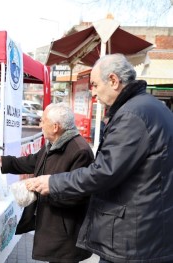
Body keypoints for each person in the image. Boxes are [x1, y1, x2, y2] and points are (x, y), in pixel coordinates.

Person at [26, 54, 173, 262]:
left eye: (94, 85)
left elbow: (104, 171)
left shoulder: (132, 115)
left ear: (113, 80)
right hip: (149, 228)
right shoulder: (152, 107)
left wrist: (53, 181)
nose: (93, 93)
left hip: (133, 237)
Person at [0, 103, 93, 262]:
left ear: (55, 127)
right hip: (52, 225)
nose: (40, 124)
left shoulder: (80, 150)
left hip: (65, 230)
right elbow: (32, 161)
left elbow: (78, 195)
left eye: (43, 120)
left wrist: (44, 187)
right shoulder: (54, 143)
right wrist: (3, 162)